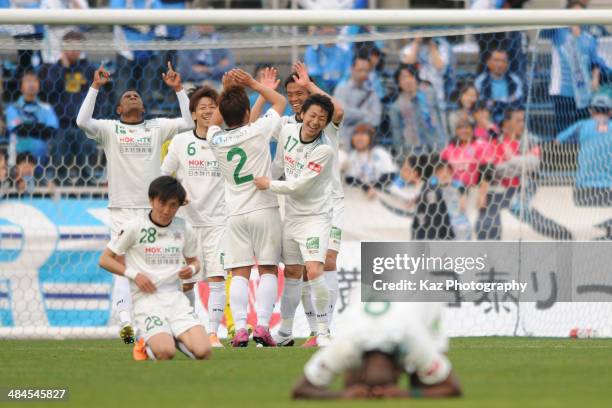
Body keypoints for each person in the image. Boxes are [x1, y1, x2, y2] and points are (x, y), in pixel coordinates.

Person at [76, 61, 194, 347]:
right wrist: (94, 87)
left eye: (136, 96)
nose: (132, 96)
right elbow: (82, 121)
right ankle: (127, 322)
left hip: (154, 210)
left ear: (143, 108)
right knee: (121, 262)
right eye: (126, 96)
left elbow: (189, 122)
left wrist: (178, 89)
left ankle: (178, 320)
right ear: (118, 109)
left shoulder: (156, 127)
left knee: (161, 262)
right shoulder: (109, 129)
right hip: (121, 209)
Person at [253, 61, 346, 346]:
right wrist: (262, 92)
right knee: (294, 271)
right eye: (290, 94)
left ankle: (323, 330)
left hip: (328, 203)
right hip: (294, 207)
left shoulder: (326, 128)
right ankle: (287, 332)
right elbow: (252, 128)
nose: (294, 99)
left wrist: (309, 85)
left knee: (324, 264)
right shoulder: (286, 127)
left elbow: (337, 110)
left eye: (300, 94)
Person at [207, 68, 286, 347]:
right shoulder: (257, 132)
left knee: (239, 272)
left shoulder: (215, 139)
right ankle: (263, 327)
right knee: (267, 269)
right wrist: (253, 84)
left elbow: (215, 123)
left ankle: (240, 328)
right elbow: (281, 102)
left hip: (235, 214)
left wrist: (225, 89)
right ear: (247, 112)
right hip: (263, 209)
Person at [99, 176, 212, 361]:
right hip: (147, 299)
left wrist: (191, 270)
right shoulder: (134, 227)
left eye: (173, 205)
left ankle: (173, 335)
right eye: (162, 203)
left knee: (204, 352)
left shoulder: (184, 228)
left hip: (176, 299)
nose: (167, 210)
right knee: (165, 353)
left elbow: (196, 262)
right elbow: (104, 260)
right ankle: (145, 343)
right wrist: (134, 275)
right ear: (152, 200)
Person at [160, 86, 227, 348]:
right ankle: (188, 330)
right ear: (193, 114)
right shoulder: (180, 142)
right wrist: (178, 195)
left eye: (213, 106)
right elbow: (165, 176)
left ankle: (212, 333)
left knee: (217, 277)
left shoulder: (225, 140)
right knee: (186, 280)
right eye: (203, 107)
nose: (209, 111)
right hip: (186, 224)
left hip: (219, 221)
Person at [292, 301, 461, 400]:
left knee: (426, 381)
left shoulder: (413, 341)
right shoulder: (345, 345)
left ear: (398, 369)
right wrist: (344, 393)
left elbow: (453, 388)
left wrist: (405, 393)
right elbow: (298, 389)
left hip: (422, 298)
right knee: (352, 385)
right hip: (371, 294)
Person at [40, 31, 98, 185]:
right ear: (62, 48)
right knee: (60, 163)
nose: (73, 50)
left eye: (76, 47)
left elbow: (97, 96)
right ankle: (61, 186)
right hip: (61, 124)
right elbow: (48, 90)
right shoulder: (54, 69)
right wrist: (63, 69)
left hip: (83, 125)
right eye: (69, 46)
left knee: (84, 164)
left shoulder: (88, 69)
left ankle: (85, 187)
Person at [542, 0, 605, 137]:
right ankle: (560, 156)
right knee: (562, 130)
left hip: (583, 92)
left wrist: (595, 78)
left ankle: (579, 157)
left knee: (581, 130)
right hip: (562, 91)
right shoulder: (558, 32)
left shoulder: (589, 38)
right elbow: (543, 31)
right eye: (573, 13)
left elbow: (595, 62)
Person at [476, 109, 540, 240]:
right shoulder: (493, 143)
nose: (522, 124)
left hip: (522, 191)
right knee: (487, 223)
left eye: (523, 120)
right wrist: (520, 165)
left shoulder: (531, 140)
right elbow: (490, 170)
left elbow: (534, 163)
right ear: (505, 124)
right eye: (518, 120)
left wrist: (510, 160)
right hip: (498, 192)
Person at [556, 93, 612, 206]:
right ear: (610, 111)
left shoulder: (581, 126)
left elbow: (556, 143)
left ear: (591, 111)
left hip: (583, 192)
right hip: (608, 191)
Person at [388, 64, 445, 154]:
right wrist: (402, 157)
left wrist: (444, 142)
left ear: (416, 78)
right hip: (415, 151)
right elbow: (397, 135)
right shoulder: (396, 107)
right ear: (398, 83)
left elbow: (439, 118)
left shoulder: (429, 93)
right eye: (403, 78)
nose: (408, 81)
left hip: (437, 145)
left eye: (411, 76)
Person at [5, 71, 59, 167]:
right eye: (28, 81)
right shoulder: (13, 108)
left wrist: (26, 126)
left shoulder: (47, 108)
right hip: (17, 160)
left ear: (39, 85)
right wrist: (40, 127)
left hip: (42, 161)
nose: (31, 84)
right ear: (21, 86)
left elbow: (51, 131)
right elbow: (18, 129)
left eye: (34, 81)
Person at [333, 54, 382, 149]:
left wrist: (352, 114)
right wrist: (365, 114)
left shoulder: (372, 93)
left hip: (364, 143)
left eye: (366, 70)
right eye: (360, 70)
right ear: (352, 69)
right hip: (344, 141)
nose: (363, 73)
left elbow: (376, 120)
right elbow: (341, 114)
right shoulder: (341, 89)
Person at [345, 123, 397, 199]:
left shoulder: (380, 153)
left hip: (381, 194)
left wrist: (375, 187)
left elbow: (390, 174)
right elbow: (350, 178)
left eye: (363, 134)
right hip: (359, 196)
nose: (359, 138)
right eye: (356, 134)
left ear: (371, 137)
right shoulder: (352, 156)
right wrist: (367, 188)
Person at [399, 36, 453, 107]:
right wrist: (417, 42)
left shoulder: (442, 46)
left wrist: (432, 45)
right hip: (415, 97)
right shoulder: (409, 48)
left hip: (436, 94)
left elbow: (439, 66)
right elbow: (406, 65)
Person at [474, 49, 524, 125]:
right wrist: (503, 102)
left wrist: (495, 103)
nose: (500, 64)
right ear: (488, 62)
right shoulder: (480, 81)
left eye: (503, 61)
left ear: (507, 64)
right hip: (487, 120)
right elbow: (482, 103)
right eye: (496, 60)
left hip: (509, 120)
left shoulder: (515, 80)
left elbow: (516, 102)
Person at [304, 26, 352, 93]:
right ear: (319, 31)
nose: (329, 31)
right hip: (318, 91)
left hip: (341, 92)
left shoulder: (345, 50)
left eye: (332, 26)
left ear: (337, 30)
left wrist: (339, 89)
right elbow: (314, 75)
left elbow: (347, 74)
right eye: (325, 26)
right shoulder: (313, 50)